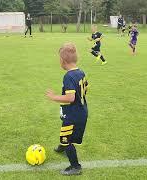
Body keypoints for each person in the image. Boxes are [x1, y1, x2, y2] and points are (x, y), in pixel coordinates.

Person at [46, 43, 89, 176]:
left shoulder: (68, 76)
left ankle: (75, 166)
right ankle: (63, 147)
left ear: (63, 61)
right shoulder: (80, 72)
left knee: (66, 138)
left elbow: (70, 98)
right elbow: (86, 89)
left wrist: (54, 97)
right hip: (80, 110)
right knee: (66, 130)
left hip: (74, 113)